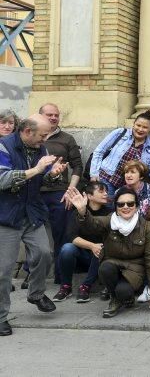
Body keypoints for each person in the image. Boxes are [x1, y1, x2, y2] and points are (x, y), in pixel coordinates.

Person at [0, 115, 66, 335]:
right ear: (28, 131)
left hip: (32, 213)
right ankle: (1, 316)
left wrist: (53, 174)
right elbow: (3, 179)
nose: (45, 140)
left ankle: (36, 294)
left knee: (45, 253)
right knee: (3, 271)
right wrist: (37, 170)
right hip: (7, 216)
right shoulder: (4, 146)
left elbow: (43, 177)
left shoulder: (40, 148)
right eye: (42, 135)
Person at [64, 186, 150, 318]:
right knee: (105, 267)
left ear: (137, 206)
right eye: (121, 204)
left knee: (123, 292)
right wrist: (82, 211)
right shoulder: (110, 220)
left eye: (130, 203)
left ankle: (124, 297)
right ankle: (114, 299)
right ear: (116, 207)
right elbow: (92, 225)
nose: (125, 207)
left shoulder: (146, 227)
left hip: (135, 269)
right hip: (113, 264)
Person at [38, 103, 83, 286]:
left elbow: (78, 166)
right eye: (49, 114)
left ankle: (59, 275)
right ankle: (33, 274)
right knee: (32, 234)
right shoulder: (33, 137)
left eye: (56, 115)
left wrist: (70, 190)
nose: (53, 118)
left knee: (60, 235)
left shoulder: (67, 139)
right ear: (40, 116)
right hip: (35, 193)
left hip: (59, 194)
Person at [52, 182, 111, 303]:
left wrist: (96, 247)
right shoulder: (77, 211)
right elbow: (72, 237)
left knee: (102, 248)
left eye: (106, 191)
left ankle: (86, 286)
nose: (105, 194)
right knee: (67, 248)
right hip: (82, 255)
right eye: (101, 191)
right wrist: (91, 246)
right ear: (89, 196)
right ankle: (66, 287)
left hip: (102, 257)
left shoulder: (110, 212)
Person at [89, 110, 150, 196]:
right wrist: (94, 173)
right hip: (106, 178)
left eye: (145, 127)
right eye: (138, 125)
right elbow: (99, 151)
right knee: (109, 206)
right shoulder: (120, 133)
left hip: (127, 187)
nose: (140, 129)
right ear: (133, 124)